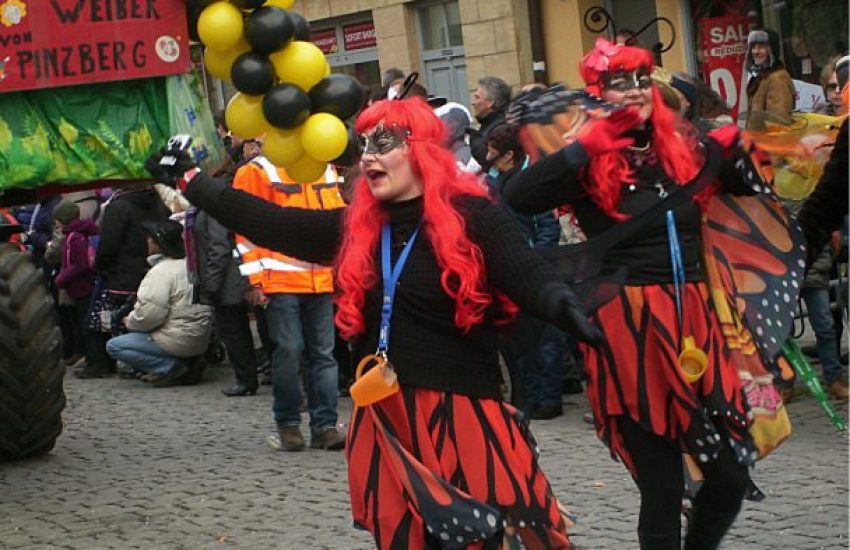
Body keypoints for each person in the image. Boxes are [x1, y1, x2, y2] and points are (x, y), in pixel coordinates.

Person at [166, 97, 605, 549]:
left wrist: (561, 304)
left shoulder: (473, 216)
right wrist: (192, 181)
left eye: (384, 142)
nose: (368, 155)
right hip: (386, 415)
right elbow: (269, 220)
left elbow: (525, 271)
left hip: (462, 414)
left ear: (421, 151)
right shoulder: (358, 225)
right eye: (364, 144)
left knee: (486, 538)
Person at [504, 38, 771, 549]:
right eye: (618, 83)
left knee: (732, 474)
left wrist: (741, 154)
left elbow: (749, 195)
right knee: (663, 485)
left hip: (696, 322)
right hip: (630, 333)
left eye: (642, 80)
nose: (634, 92)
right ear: (598, 95)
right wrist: (588, 146)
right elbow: (518, 196)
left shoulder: (684, 150)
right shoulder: (585, 162)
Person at [231, 154, 347, 452]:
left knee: (323, 354)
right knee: (290, 350)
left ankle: (324, 427)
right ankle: (289, 423)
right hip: (279, 280)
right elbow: (244, 230)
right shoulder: (257, 170)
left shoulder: (324, 166)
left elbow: (338, 221)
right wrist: (255, 281)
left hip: (319, 278)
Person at [485, 123, 567, 419]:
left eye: (494, 151)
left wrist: (534, 260)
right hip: (509, 269)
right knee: (519, 340)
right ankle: (529, 396)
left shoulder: (529, 182)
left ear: (508, 154)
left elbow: (547, 225)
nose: (488, 155)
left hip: (536, 267)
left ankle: (549, 398)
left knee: (546, 339)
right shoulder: (492, 183)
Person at [105, 220, 212, 386]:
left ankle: (173, 367)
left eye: (150, 238)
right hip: (201, 338)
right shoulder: (191, 266)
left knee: (115, 346)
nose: (147, 241)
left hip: (177, 339)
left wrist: (130, 321)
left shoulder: (160, 272)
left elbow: (149, 316)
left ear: (158, 245)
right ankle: (188, 361)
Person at [83, 184, 169, 378]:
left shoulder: (118, 207)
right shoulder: (157, 203)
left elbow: (109, 244)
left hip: (121, 275)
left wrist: (100, 265)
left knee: (100, 322)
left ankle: (104, 364)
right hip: (150, 270)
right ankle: (140, 363)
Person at [194, 204, 258, 397]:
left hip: (228, 278)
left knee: (233, 330)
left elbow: (219, 247)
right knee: (237, 329)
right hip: (234, 275)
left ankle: (246, 379)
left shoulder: (215, 208)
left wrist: (211, 282)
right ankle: (248, 377)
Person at [744, 29, 795, 129]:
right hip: (758, 142)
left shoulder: (777, 79)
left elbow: (778, 123)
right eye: (753, 47)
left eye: (761, 47)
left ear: (772, 50)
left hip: (768, 143)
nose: (756, 52)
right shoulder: (763, 77)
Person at [468, 76, 511, 171]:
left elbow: (489, 161)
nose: (473, 102)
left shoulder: (501, 128)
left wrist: (474, 139)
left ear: (490, 102)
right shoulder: (489, 123)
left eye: (477, 97)